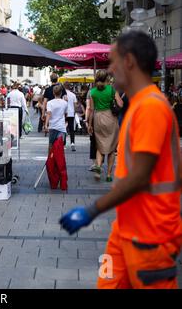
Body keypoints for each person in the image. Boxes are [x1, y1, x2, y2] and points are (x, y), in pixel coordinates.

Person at [60, 30, 182, 289]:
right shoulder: (139, 105)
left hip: (151, 235)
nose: (110, 68)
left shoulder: (151, 107)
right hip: (125, 230)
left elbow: (140, 176)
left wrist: (92, 210)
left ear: (129, 61)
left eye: (113, 61)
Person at [87, 70, 123, 182]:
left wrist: (89, 124)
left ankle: (98, 166)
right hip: (110, 117)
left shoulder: (92, 91)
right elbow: (121, 104)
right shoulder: (112, 89)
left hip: (97, 118)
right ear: (107, 78)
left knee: (100, 146)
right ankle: (108, 175)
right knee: (112, 148)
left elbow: (92, 110)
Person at [44, 84, 67, 153]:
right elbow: (65, 114)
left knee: (51, 145)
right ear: (61, 93)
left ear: (53, 93)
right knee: (60, 146)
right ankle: (59, 161)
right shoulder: (65, 103)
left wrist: (46, 124)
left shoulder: (50, 103)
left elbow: (48, 114)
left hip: (52, 127)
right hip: (61, 127)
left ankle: (50, 161)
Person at [63, 82, 78, 151]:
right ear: (69, 87)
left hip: (63, 114)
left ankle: (64, 144)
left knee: (63, 129)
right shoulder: (73, 95)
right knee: (72, 129)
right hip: (71, 113)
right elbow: (75, 105)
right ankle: (72, 143)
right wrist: (74, 111)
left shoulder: (62, 95)